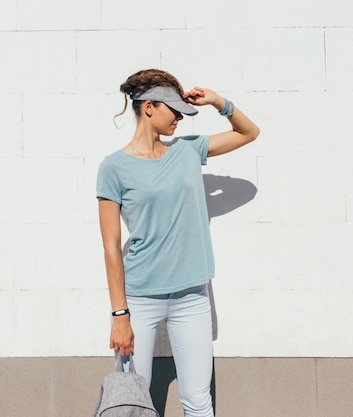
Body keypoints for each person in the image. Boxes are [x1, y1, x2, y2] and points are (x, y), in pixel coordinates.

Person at [96, 69, 259, 417]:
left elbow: (249, 133)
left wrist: (218, 101)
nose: (181, 119)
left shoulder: (188, 150)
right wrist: (120, 315)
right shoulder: (113, 167)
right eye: (174, 110)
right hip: (139, 300)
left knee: (199, 402)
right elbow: (111, 247)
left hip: (191, 296)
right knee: (131, 402)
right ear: (150, 107)